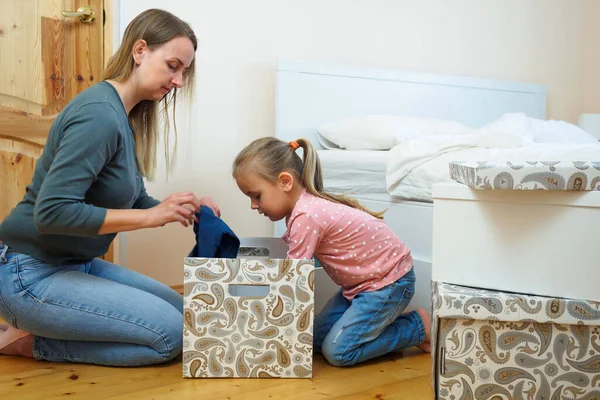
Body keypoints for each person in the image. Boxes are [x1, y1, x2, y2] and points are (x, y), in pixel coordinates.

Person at [0, 9, 219, 366]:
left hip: (73, 264)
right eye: (173, 65)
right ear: (140, 51)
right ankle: (26, 343)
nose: (178, 81)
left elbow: (135, 201)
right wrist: (151, 218)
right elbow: (52, 212)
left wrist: (180, 206)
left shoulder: (122, 115)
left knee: (186, 312)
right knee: (170, 336)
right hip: (28, 273)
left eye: (184, 72)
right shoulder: (99, 115)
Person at [232, 137, 431, 367]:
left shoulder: (306, 216)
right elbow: (285, 255)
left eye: (256, 196)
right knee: (314, 340)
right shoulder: (301, 211)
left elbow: (292, 277)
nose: (254, 205)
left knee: (338, 352)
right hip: (359, 286)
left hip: (388, 283)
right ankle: (369, 327)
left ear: (285, 181)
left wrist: (264, 315)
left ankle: (416, 328)